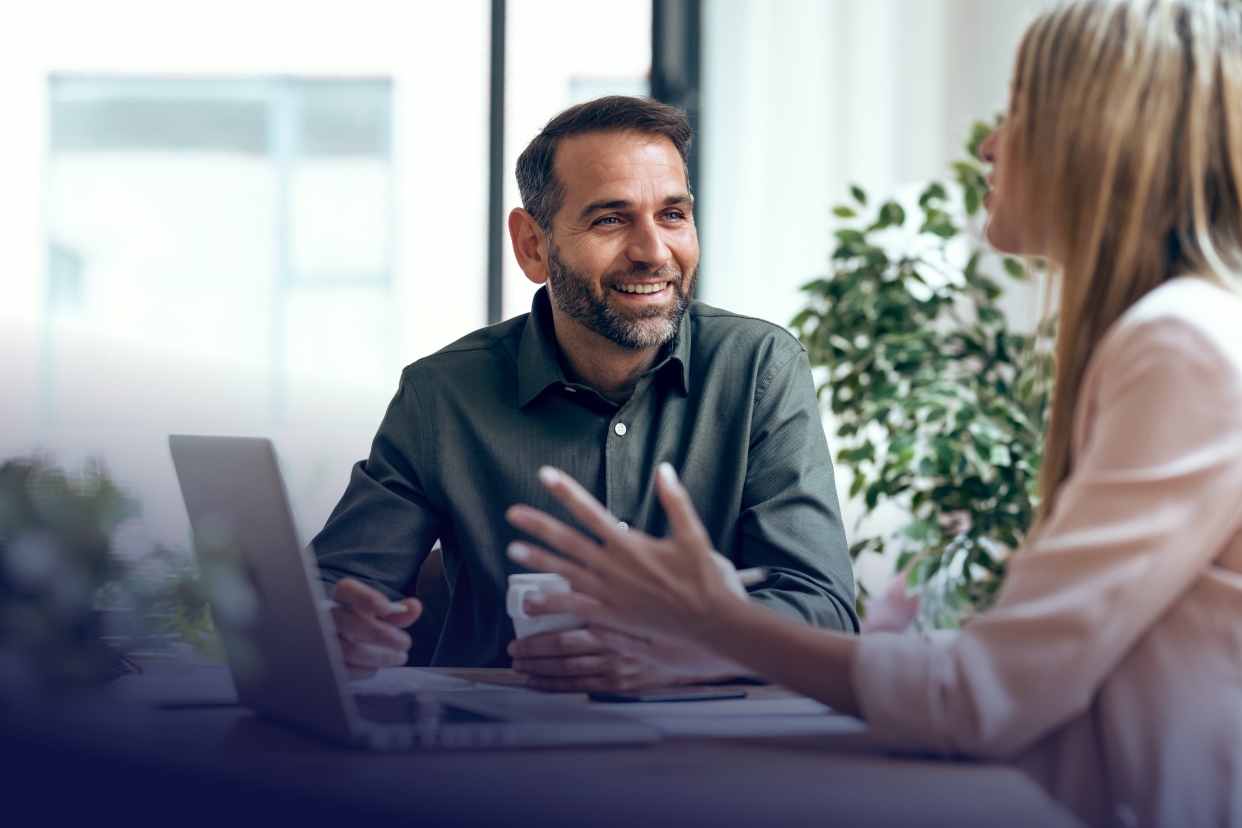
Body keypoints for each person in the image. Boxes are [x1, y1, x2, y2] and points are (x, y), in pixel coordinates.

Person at [503, 1, 1242, 825]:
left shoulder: (1185, 345)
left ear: (1105, 137)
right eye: (611, 217)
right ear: (533, 244)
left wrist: (717, 624)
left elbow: (980, 697)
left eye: (1021, 112)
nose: (991, 146)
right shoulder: (1175, 335)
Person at [312, 95, 858, 690]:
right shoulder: (441, 393)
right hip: (492, 754)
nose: (654, 252)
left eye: (673, 215)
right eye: (610, 219)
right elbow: (331, 587)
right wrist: (336, 628)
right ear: (533, 245)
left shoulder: (760, 369)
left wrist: (687, 645)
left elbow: (824, 612)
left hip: (703, 750)